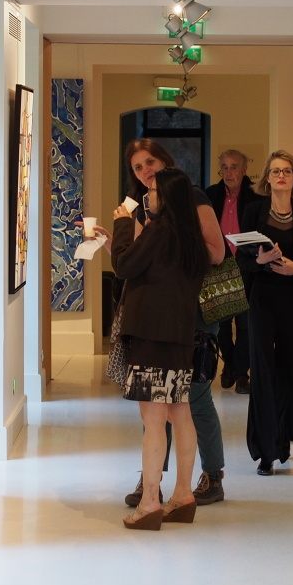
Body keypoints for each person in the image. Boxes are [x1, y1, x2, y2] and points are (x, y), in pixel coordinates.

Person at [102, 139, 230, 507]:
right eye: (138, 168)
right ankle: (159, 483)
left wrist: (168, 240)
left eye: (150, 163)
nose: (145, 172)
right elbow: (136, 263)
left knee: (189, 401)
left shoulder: (188, 200)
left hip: (189, 314)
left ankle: (209, 475)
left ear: (165, 162)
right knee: (167, 407)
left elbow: (215, 252)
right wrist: (118, 240)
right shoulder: (148, 209)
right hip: (161, 314)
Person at [110, 166, 210, 529]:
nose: (147, 197)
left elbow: (123, 265)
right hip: (180, 336)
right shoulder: (191, 237)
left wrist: (123, 225)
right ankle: (183, 495)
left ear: (165, 198)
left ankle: (150, 501)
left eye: (152, 191)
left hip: (150, 336)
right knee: (180, 412)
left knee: (152, 420)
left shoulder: (159, 231)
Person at [237, 151, 293, 475]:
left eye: (287, 171)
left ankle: (285, 438)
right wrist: (260, 261)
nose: (281, 176)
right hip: (262, 300)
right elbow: (242, 258)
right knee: (262, 373)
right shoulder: (254, 211)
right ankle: (266, 451)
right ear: (267, 178)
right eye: (275, 171)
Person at [205, 149, 259, 392]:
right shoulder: (210, 195)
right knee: (223, 325)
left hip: (245, 265)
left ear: (244, 170)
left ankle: (240, 373)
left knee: (246, 324)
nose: (228, 172)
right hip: (220, 264)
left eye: (234, 167)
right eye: (224, 167)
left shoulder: (255, 197)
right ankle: (230, 365)